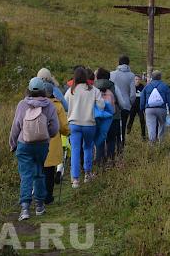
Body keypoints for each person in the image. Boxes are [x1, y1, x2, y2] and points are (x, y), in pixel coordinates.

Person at [9, 77, 60, 221]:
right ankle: (39, 206)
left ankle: (25, 208)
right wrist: (46, 136)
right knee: (39, 173)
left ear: (29, 90)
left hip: (24, 145)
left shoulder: (22, 104)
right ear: (43, 90)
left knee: (26, 175)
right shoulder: (49, 105)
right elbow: (55, 128)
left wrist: (13, 144)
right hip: (42, 145)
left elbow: (16, 127)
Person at [65, 67, 104, 188]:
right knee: (88, 147)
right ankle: (88, 174)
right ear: (86, 78)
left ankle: (75, 179)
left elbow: (65, 106)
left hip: (74, 124)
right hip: (89, 123)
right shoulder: (93, 90)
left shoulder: (70, 91)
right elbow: (101, 106)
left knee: (75, 150)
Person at [43, 82, 69, 205]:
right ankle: (48, 196)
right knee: (49, 170)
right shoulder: (57, 106)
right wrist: (67, 133)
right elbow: (63, 126)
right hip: (52, 140)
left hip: (35, 140)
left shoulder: (33, 104)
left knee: (39, 169)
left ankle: (38, 194)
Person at [110, 57, 137, 154]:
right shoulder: (131, 76)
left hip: (114, 105)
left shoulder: (112, 74)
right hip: (126, 105)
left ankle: (112, 148)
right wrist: (130, 103)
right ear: (128, 64)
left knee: (114, 126)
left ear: (119, 63)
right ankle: (121, 147)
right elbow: (133, 94)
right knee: (123, 126)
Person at [93, 68, 120, 165]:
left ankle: (99, 160)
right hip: (113, 116)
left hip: (98, 116)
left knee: (99, 139)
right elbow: (120, 100)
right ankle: (110, 160)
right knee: (111, 139)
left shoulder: (93, 87)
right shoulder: (113, 87)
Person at [139, 69, 170, 143]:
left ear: (152, 77)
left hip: (149, 109)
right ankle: (161, 141)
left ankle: (152, 142)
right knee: (162, 124)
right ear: (160, 77)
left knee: (151, 126)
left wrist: (142, 108)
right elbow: (169, 99)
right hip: (162, 109)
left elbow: (142, 97)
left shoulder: (147, 86)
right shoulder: (164, 86)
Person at [132, 72, 147, 141]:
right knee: (130, 120)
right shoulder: (131, 87)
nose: (137, 80)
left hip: (140, 107)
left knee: (142, 120)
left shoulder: (142, 87)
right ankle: (127, 131)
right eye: (136, 79)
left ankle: (143, 135)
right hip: (132, 106)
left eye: (138, 79)